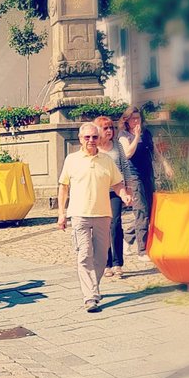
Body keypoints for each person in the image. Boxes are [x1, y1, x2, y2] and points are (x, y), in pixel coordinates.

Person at [57, 122, 133, 312]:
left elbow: (117, 183)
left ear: (99, 139)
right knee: (84, 255)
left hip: (103, 214)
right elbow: (63, 187)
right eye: (87, 137)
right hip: (79, 214)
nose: (91, 140)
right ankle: (89, 296)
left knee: (100, 257)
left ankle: (94, 286)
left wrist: (123, 194)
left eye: (95, 137)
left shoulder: (107, 160)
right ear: (80, 139)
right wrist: (61, 213)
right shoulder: (71, 160)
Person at [119, 108, 172, 260]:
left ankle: (128, 237)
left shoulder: (147, 134)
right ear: (127, 121)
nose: (136, 121)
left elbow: (155, 151)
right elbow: (128, 153)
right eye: (133, 118)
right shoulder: (124, 136)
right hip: (134, 176)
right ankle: (142, 250)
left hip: (148, 174)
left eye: (138, 118)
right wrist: (135, 137)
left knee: (149, 211)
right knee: (141, 210)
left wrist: (166, 164)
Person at [94, 113, 134, 280]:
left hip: (116, 191)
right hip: (99, 191)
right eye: (106, 128)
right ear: (98, 130)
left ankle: (118, 263)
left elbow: (125, 165)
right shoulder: (94, 147)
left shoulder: (116, 145)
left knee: (115, 224)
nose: (109, 131)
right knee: (103, 227)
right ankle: (106, 263)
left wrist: (129, 187)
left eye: (111, 127)